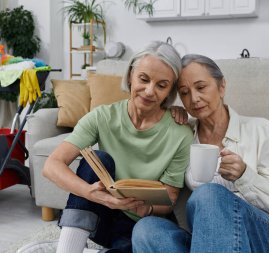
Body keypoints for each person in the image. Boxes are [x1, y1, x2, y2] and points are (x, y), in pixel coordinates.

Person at [132, 54, 269, 253]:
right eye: (184, 93)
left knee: (208, 194)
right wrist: (166, 117)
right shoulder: (183, 135)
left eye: (201, 87)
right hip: (212, 238)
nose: (194, 99)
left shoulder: (261, 130)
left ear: (221, 87)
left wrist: (245, 175)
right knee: (147, 229)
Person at [42, 41, 193, 253]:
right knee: (98, 159)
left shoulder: (181, 134)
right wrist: (90, 193)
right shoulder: (103, 116)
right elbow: (52, 165)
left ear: (170, 90)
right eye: (144, 79)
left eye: (161, 85)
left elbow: (170, 198)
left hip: (140, 223)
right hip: (101, 214)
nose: (150, 91)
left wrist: (146, 207)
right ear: (131, 75)